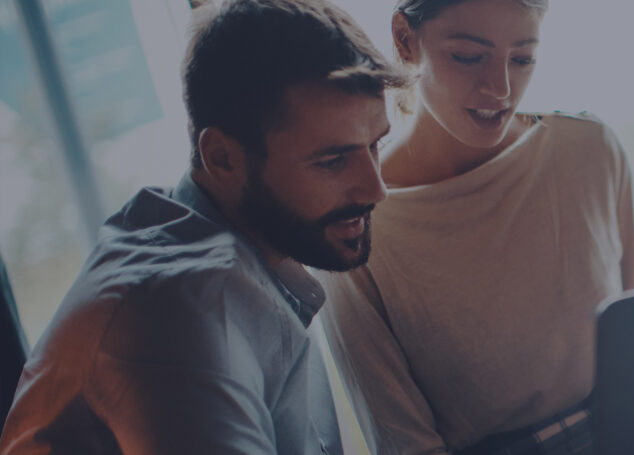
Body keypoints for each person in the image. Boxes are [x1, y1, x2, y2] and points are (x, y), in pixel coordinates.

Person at [0, 0, 405, 453]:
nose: (376, 189)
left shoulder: (213, 243)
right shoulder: (182, 311)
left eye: (375, 145)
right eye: (332, 161)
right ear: (222, 158)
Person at [316, 0, 634, 453]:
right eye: (468, 56)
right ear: (405, 39)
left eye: (522, 59)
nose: (500, 88)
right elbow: (404, 442)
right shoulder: (359, 225)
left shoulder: (590, 149)